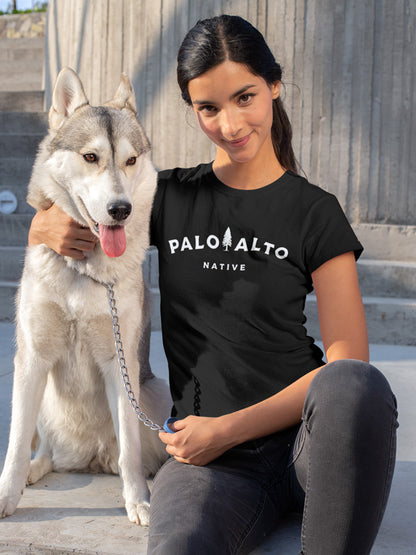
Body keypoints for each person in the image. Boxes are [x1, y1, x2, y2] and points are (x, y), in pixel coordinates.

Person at [28, 14, 398, 555]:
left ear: (273, 85)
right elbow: (71, 205)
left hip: (305, 444)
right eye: (209, 107)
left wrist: (227, 429)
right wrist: (42, 223)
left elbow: (347, 361)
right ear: (193, 110)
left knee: (354, 386)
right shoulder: (169, 198)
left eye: (245, 96)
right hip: (212, 465)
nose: (231, 123)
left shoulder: (314, 211)